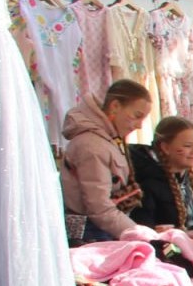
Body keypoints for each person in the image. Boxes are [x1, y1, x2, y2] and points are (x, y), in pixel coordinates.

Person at [60, 79, 153, 242]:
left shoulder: (104, 141)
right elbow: (100, 208)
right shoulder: (92, 146)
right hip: (91, 236)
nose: (139, 125)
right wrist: (138, 234)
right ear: (115, 106)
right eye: (137, 116)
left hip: (99, 230)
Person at [128, 116, 193, 234]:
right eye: (187, 146)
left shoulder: (187, 182)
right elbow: (143, 230)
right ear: (165, 147)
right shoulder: (148, 185)